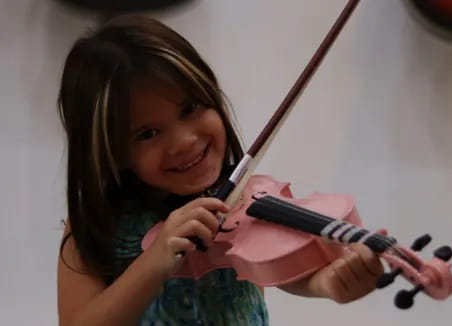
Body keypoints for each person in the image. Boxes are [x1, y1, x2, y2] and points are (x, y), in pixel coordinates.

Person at [56, 14, 383, 326]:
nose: (184, 141)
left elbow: (281, 268)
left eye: (190, 109)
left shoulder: (245, 202)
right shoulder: (97, 224)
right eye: (148, 134)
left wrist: (328, 283)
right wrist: (153, 262)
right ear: (112, 151)